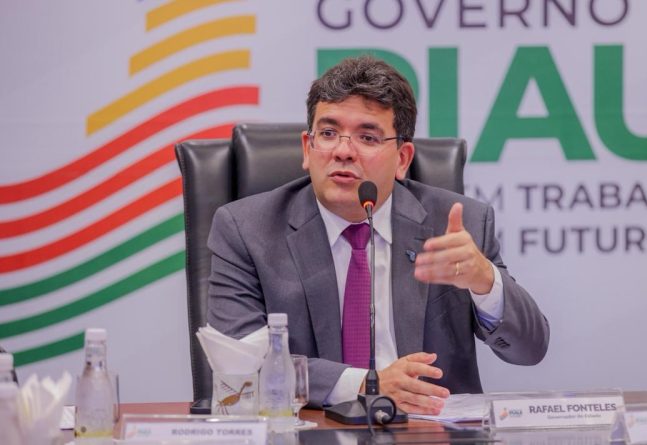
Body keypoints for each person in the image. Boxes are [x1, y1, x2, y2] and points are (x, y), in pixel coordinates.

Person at [206, 55, 549, 415]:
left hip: (430, 432)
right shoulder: (247, 230)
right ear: (307, 148)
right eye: (328, 133)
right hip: (309, 431)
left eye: (367, 137)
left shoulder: (457, 224)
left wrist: (484, 281)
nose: (343, 151)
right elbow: (240, 365)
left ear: (402, 159)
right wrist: (366, 384)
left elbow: (530, 350)